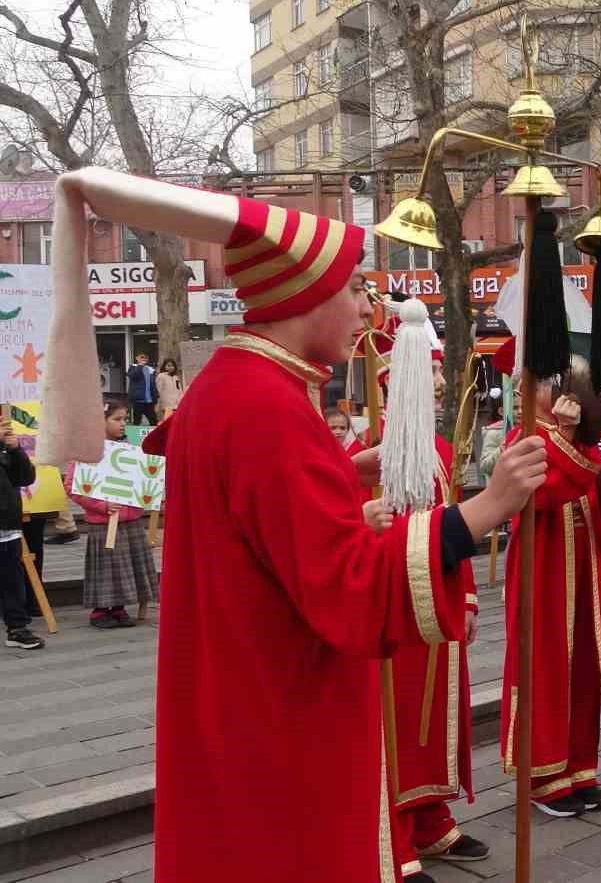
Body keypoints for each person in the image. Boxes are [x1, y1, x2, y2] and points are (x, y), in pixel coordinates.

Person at [38, 167, 550, 882]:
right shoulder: (269, 406)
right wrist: (485, 507)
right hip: (280, 707)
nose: (367, 309)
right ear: (303, 293)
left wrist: (342, 475)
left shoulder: (232, 386)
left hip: (237, 693)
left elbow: (250, 520)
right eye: (353, 289)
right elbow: (347, 583)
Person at [364, 300, 491, 881]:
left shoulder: (439, 451)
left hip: (435, 604)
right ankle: (395, 832)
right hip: (392, 605)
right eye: (434, 371)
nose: (443, 383)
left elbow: (456, 526)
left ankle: (431, 817)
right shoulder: (365, 449)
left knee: (436, 717)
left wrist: (464, 597)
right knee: (396, 718)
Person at [498, 359, 601, 820]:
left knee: (585, 666)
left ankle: (579, 766)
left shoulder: (581, 441)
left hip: (584, 572)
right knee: (545, 667)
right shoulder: (524, 440)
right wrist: (567, 441)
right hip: (543, 570)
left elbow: (596, 502)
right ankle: (544, 775)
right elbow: (544, 494)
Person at [70, 399, 159, 630]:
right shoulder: (87, 452)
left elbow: (141, 480)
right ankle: (101, 610)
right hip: (104, 522)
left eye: (125, 420)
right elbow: (74, 486)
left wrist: (149, 491)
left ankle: (118, 607)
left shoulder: (131, 449)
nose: (123, 424)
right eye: (117, 419)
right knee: (107, 566)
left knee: (126, 565)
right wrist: (101, 505)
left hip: (130, 520)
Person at [0, 408, 39, 651]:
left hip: (7, 523)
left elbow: (25, 477)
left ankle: (17, 627)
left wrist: (14, 449)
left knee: (11, 579)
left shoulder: (5, 446)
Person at [125, 353, 158, 425]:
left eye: (146, 357)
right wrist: (140, 365)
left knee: (154, 421)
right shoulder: (133, 367)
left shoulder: (150, 370)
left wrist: (155, 398)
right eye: (142, 357)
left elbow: (153, 385)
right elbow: (133, 376)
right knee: (137, 421)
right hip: (138, 400)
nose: (144, 359)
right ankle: (134, 436)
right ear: (137, 358)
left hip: (149, 401)